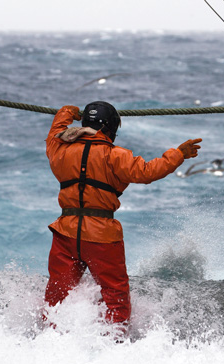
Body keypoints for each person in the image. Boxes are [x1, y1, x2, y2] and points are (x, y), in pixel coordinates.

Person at [44, 101, 201, 331]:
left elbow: (54, 132)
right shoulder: (116, 156)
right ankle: (116, 343)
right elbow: (149, 171)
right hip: (101, 237)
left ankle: (46, 338)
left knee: (57, 296)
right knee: (115, 297)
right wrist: (179, 154)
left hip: (65, 234)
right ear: (110, 129)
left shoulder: (59, 149)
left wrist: (67, 111)